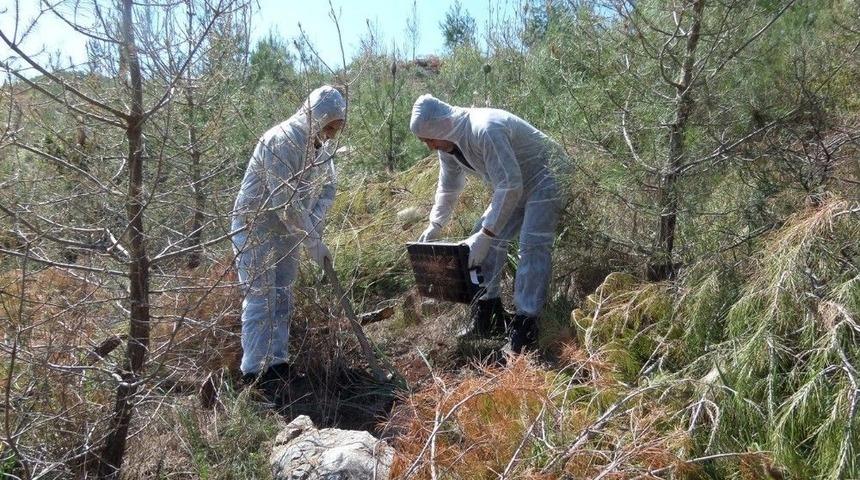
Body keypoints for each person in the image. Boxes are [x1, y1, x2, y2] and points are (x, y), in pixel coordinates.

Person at [410, 94, 566, 354]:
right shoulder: (448, 144)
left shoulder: (484, 128)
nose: (429, 146)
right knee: (482, 240)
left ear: (442, 126)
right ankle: (488, 316)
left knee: (532, 245)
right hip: (514, 184)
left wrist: (487, 233)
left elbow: (510, 185)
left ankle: (526, 329)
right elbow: (449, 187)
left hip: (545, 176)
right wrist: (435, 225)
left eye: (428, 139)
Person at [231, 86, 346, 400]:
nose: (332, 133)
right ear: (315, 116)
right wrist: (310, 239)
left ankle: (277, 364)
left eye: (338, 127)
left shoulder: (321, 148)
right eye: (329, 125)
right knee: (260, 299)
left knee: (282, 297)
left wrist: (315, 232)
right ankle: (255, 374)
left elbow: (327, 191)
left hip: (289, 232)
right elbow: (283, 201)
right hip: (255, 228)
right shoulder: (283, 139)